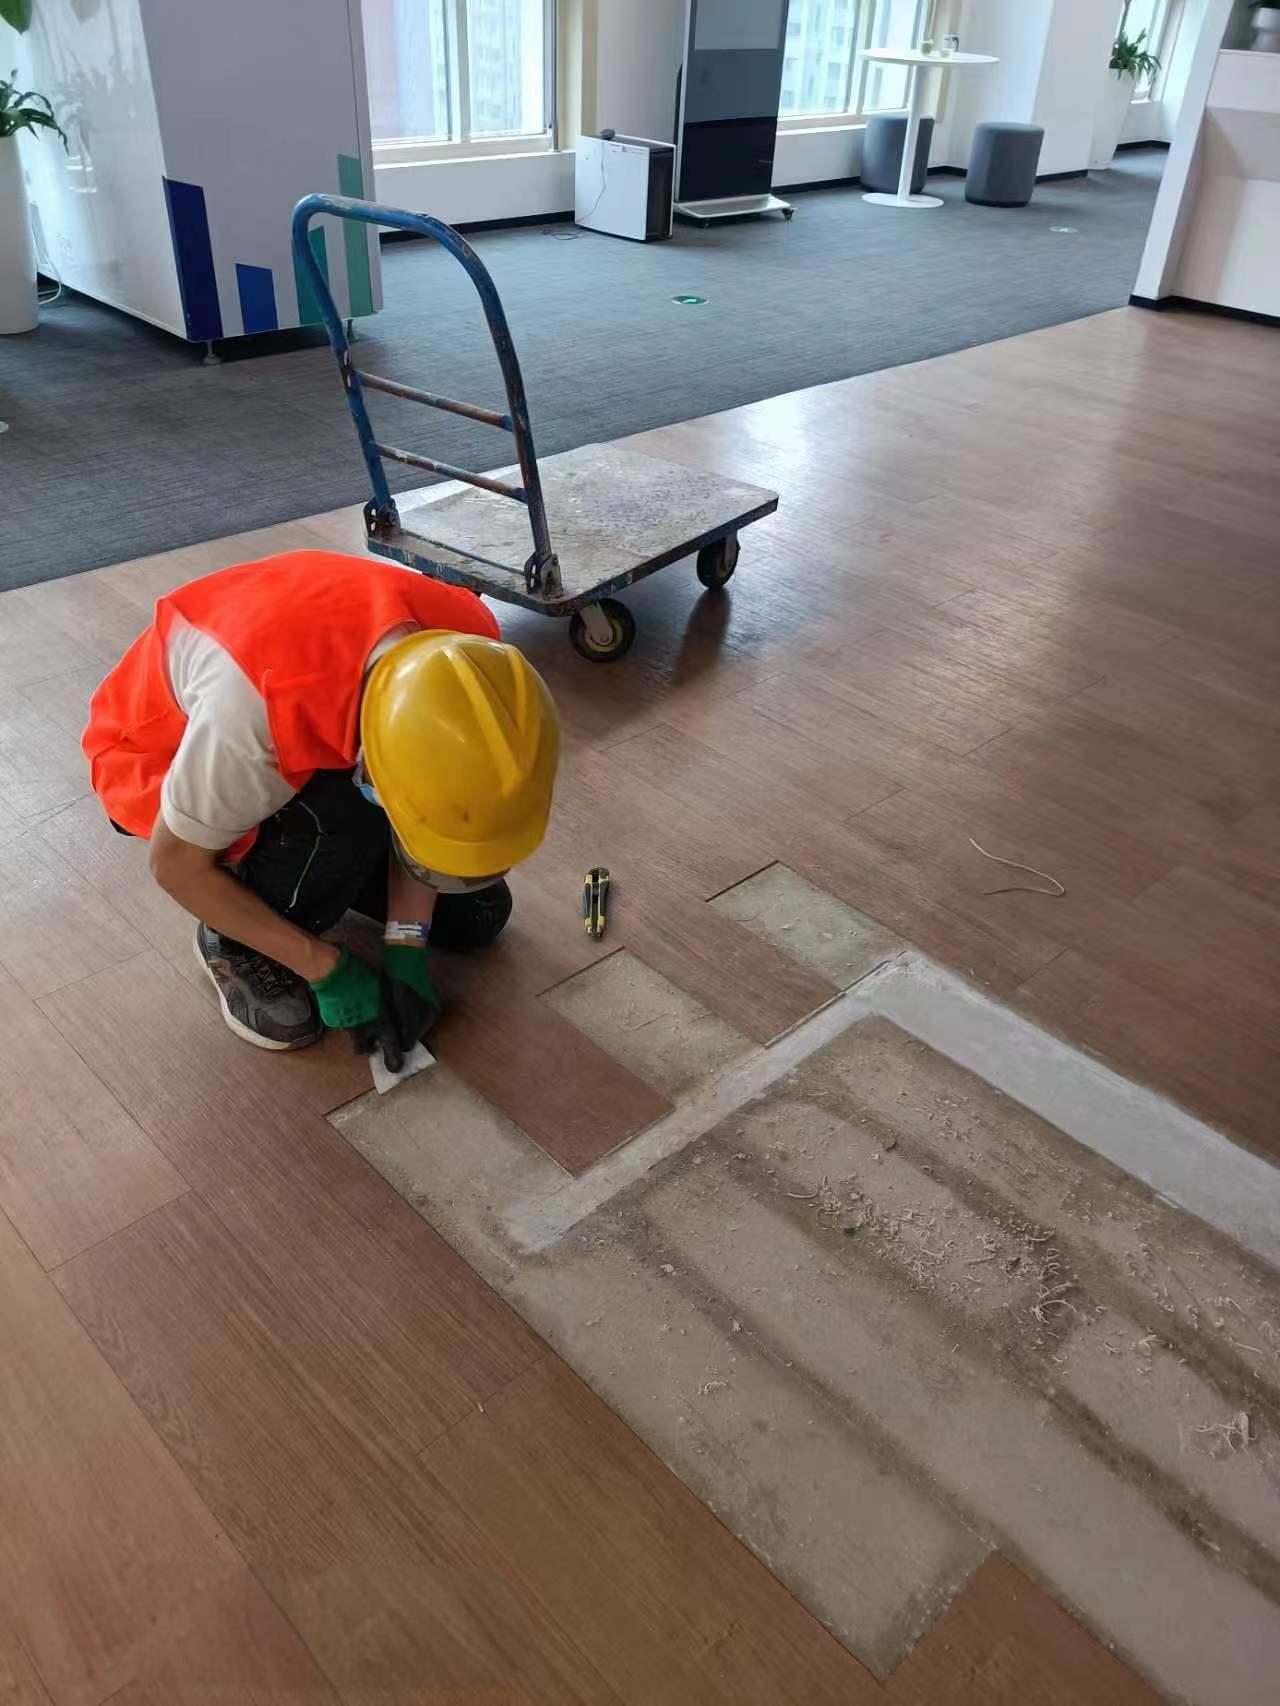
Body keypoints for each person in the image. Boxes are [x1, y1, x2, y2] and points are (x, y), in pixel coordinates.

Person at [82, 549, 559, 1067]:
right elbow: (175, 866)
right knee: (339, 821)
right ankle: (232, 939)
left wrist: (406, 941)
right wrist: (323, 966)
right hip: (157, 754)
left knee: (477, 915)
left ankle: (343, 867)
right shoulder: (251, 724)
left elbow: (433, 791)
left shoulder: (477, 659)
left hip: (310, 683)